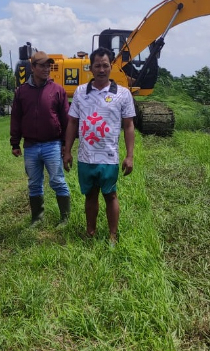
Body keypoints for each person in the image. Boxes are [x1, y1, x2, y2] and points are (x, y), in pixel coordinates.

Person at [63, 47, 136, 245]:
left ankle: (112, 235)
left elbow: (128, 126)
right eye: (97, 66)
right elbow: (72, 123)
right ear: (91, 68)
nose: (101, 69)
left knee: (111, 195)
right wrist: (67, 151)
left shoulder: (123, 94)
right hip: (86, 156)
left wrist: (129, 156)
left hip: (109, 157)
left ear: (111, 66)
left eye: (105, 65)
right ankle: (90, 231)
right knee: (90, 195)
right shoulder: (80, 92)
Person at [10, 51, 71, 227]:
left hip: (52, 144)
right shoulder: (22, 92)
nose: (46, 69)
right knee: (34, 184)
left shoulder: (57, 90)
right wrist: (15, 142)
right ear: (33, 67)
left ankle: (65, 218)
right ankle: (37, 217)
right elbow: (16, 118)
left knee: (58, 181)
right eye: (42, 65)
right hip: (30, 146)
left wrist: (66, 145)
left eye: (48, 66)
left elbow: (66, 120)